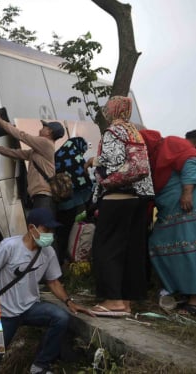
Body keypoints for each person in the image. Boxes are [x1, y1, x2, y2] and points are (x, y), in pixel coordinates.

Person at [0, 208, 92, 374]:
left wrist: (69, 302)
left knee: (60, 318)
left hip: (30, 308)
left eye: (52, 231)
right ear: (32, 228)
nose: (50, 235)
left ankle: (39, 366)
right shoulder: (9, 246)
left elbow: (53, 282)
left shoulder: (48, 252)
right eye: (46, 230)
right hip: (3, 314)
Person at [90, 96, 154, 316]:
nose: (106, 109)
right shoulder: (134, 131)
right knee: (129, 251)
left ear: (114, 109)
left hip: (117, 196)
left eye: (109, 106)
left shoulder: (113, 132)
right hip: (138, 198)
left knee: (105, 248)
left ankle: (113, 300)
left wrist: (96, 167)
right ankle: (126, 302)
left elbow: (112, 161)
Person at [140, 129, 196, 315]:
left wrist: (187, 192)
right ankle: (179, 289)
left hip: (185, 207)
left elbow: (191, 161)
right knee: (157, 244)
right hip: (168, 211)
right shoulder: (149, 159)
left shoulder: (171, 144)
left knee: (187, 248)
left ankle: (194, 300)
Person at [0, 114, 65, 214]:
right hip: (39, 196)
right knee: (37, 227)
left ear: (49, 131)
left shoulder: (46, 143)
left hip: (43, 197)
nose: (41, 129)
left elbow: (22, 136)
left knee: (39, 228)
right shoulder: (37, 151)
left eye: (44, 127)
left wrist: (0, 121)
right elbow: (15, 153)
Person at [54, 137, 94, 265]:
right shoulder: (78, 159)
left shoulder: (57, 156)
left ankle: (60, 262)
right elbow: (87, 182)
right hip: (79, 204)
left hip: (61, 204)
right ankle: (73, 258)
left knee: (62, 235)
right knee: (75, 231)